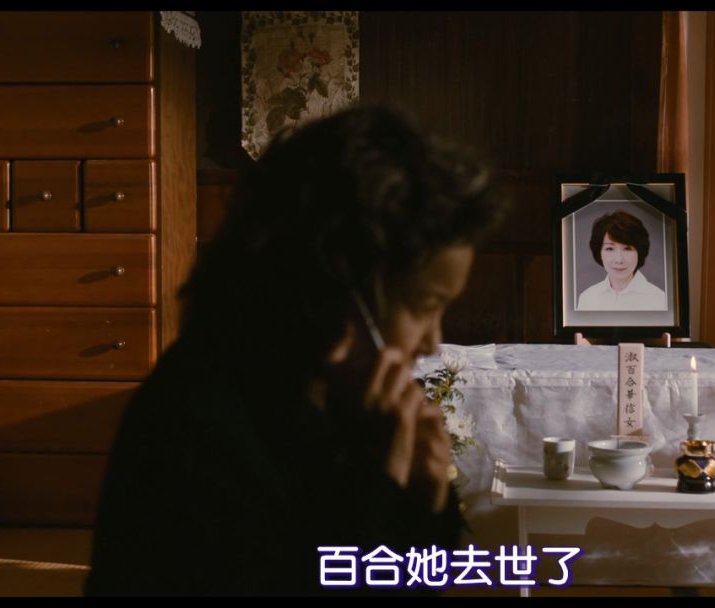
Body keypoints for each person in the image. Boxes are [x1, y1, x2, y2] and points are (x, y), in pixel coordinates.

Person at [83, 105, 509, 596]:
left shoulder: (345, 401)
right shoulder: (195, 429)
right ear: (338, 286)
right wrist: (377, 496)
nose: (432, 341)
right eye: (424, 305)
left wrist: (425, 506)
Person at [576, 209, 666, 311]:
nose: (619, 260)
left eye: (627, 248)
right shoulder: (587, 298)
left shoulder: (659, 299)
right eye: (610, 248)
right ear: (599, 252)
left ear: (640, 252)